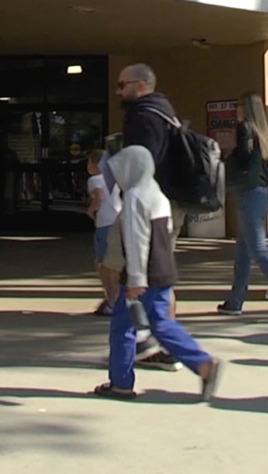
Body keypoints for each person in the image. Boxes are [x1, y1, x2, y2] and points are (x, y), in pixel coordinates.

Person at [91, 146, 222, 402]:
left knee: (122, 328)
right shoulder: (158, 195)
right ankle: (202, 363)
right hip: (163, 270)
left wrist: (135, 278)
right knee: (161, 324)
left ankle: (121, 384)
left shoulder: (135, 197)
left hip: (142, 275)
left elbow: (136, 239)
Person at [116, 63, 184, 369]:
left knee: (152, 275)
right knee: (161, 275)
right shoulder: (162, 111)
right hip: (165, 202)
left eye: (123, 84)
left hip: (150, 203)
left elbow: (144, 163)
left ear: (141, 85)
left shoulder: (145, 118)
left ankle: (163, 343)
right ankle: (159, 341)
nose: (119, 90)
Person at [216, 93, 268, 323]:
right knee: (244, 251)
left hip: (248, 194)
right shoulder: (266, 135)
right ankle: (235, 301)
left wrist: (226, 158)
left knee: (258, 250)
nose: (236, 110)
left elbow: (242, 158)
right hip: (262, 194)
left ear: (246, 109)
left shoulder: (245, 128)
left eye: (239, 106)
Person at [85, 149, 122, 317]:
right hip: (117, 219)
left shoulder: (94, 179)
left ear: (95, 165)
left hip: (104, 223)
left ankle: (112, 299)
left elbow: (98, 197)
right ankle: (115, 299)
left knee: (103, 264)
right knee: (113, 262)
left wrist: (91, 210)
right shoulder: (114, 178)